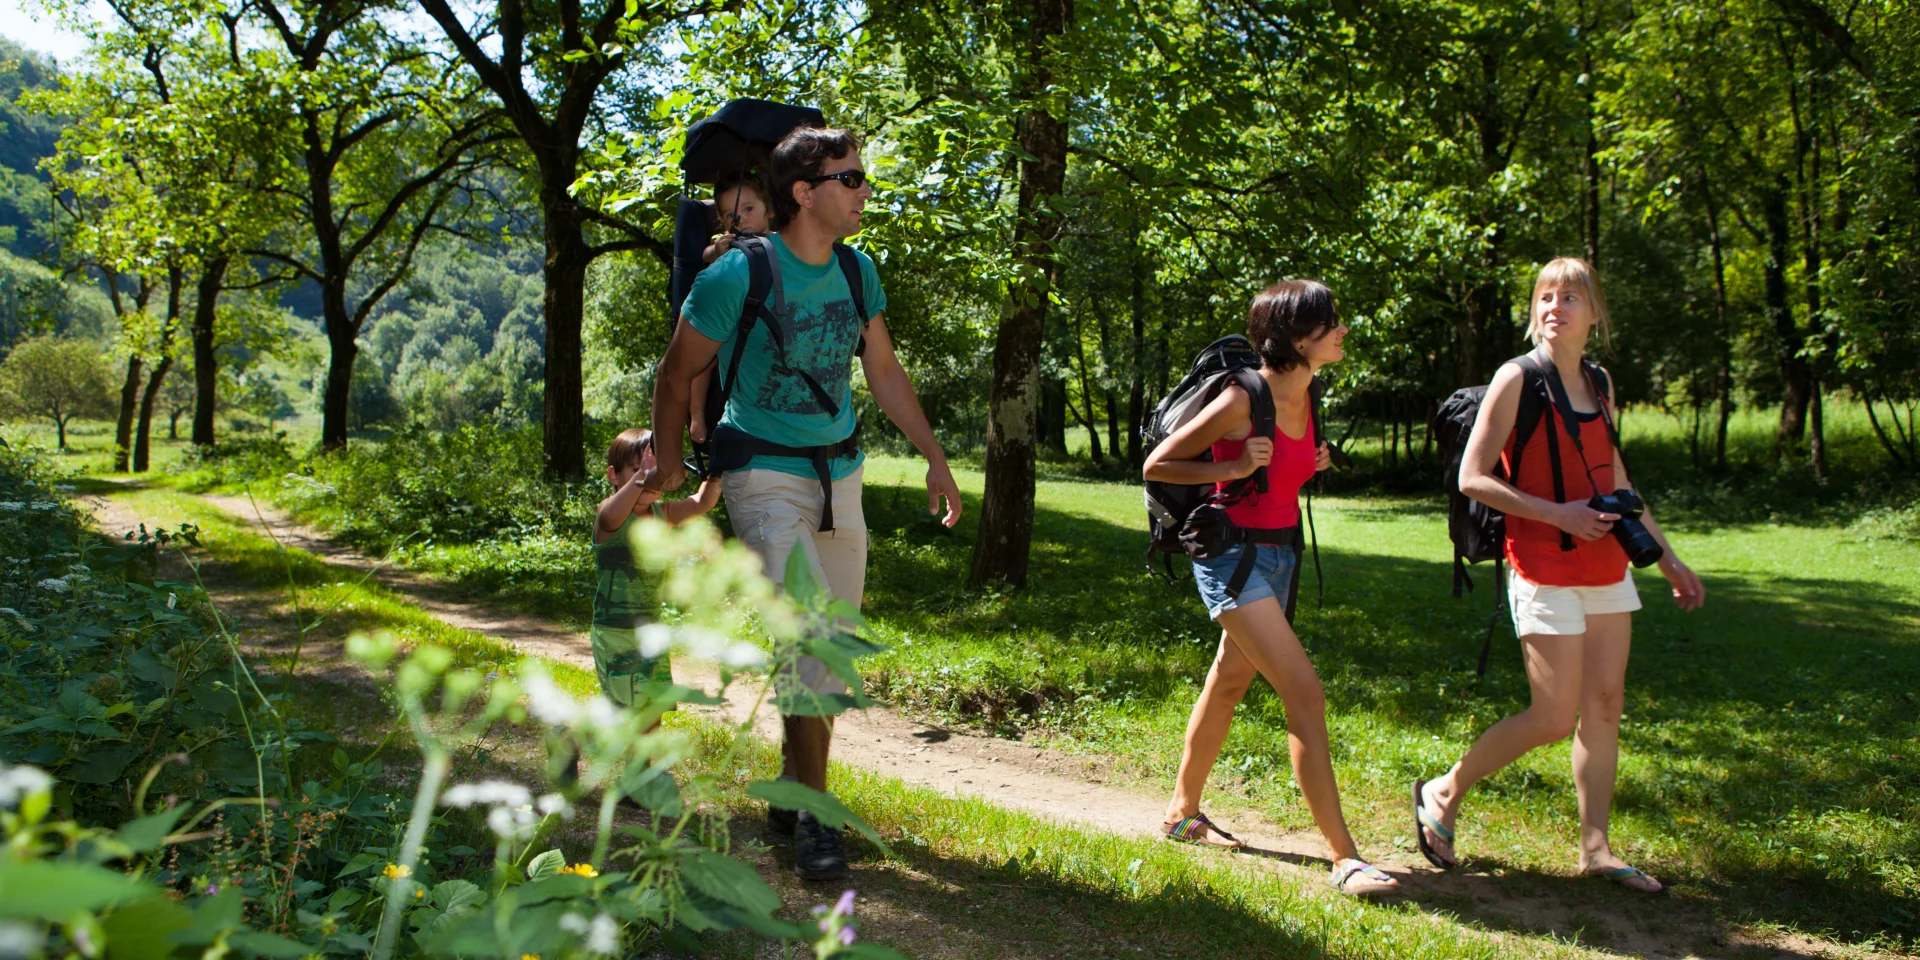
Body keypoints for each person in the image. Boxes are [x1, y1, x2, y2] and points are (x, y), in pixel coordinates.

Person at [644, 125, 963, 882]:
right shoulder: (737, 275)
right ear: (804, 192)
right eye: (850, 179)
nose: (864, 191)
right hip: (762, 472)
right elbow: (673, 371)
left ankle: (793, 789)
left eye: (862, 177)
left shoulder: (858, 272)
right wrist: (664, 463)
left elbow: (883, 371)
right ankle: (819, 820)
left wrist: (935, 456)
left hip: (839, 474)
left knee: (828, 647)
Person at [1413, 257, 1705, 894]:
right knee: (1551, 716)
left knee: (1605, 705)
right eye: (1546, 296)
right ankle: (1442, 790)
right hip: (1542, 564)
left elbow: (1616, 477)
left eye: (1571, 297)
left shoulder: (1599, 382)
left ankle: (1596, 849)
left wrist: (1670, 558)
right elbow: (1473, 476)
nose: (1555, 307)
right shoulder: (1516, 378)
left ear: (1594, 315)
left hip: (1607, 566)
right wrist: (1559, 516)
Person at [1143, 280, 1399, 898]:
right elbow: (1158, 466)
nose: (1340, 330)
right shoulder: (1241, 397)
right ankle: (1345, 858)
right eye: (1329, 323)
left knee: (1230, 681)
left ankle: (1181, 813)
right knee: (1304, 692)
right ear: (1294, 338)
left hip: (1282, 554)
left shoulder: (1308, 395)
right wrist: (1231, 466)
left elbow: (1283, 475)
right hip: (1230, 555)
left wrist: (1312, 460)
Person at [591, 428, 721, 707]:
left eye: (655, 472)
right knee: (621, 713)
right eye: (638, 469)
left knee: (652, 712)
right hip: (615, 633)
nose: (650, 479)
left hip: (651, 633)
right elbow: (608, 518)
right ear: (614, 475)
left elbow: (701, 502)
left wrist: (717, 471)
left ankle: (639, 752)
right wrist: (643, 476)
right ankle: (572, 739)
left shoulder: (664, 514)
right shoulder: (609, 511)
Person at [689, 171, 775, 443]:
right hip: (730, 320)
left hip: (767, 320)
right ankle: (696, 415)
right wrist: (717, 252)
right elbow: (704, 255)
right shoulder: (727, 244)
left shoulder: (778, 241)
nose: (741, 219)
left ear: (768, 209)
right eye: (730, 215)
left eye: (749, 209)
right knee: (702, 361)